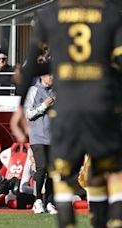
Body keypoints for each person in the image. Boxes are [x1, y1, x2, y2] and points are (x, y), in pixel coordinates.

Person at [10, 1, 122, 227]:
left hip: (67, 106)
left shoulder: (49, 15)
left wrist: (20, 105)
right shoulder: (112, 14)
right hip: (101, 104)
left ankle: (66, 221)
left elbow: (31, 63)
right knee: (106, 168)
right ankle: (107, 220)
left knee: (62, 173)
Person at [24, 63, 57, 214]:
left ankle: (49, 202)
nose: (52, 77)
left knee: (52, 170)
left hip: (54, 137)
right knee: (42, 167)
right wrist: (44, 106)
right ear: (43, 75)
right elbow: (28, 114)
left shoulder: (57, 91)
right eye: (50, 75)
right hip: (38, 136)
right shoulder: (34, 90)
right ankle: (37, 200)